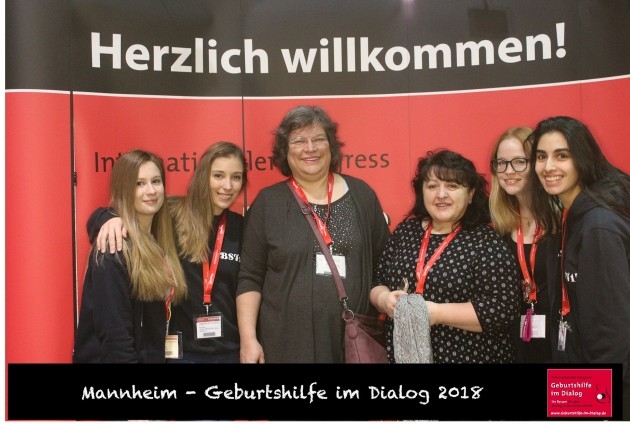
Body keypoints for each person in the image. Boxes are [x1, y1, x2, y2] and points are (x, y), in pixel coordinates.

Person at [236, 105, 390, 363]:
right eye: (298, 141)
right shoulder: (268, 203)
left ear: (331, 146)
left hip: (352, 345)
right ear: (285, 151)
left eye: (318, 139)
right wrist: (248, 339)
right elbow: (250, 277)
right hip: (285, 346)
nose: (310, 148)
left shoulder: (362, 196)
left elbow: (383, 268)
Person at [90, 141, 247, 363]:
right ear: (203, 176)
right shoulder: (171, 215)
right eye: (218, 175)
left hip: (230, 352)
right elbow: (131, 215)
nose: (227, 185)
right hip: (180, 353)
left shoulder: (244, 227)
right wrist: (108, 218)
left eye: (236, 177)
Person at [371, 148, 521, 363]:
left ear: (470, 194)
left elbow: (502, 309)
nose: (441, 195)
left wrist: (436, 313)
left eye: (452, 186)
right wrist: (384, 300)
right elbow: (377, 282)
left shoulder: (485, 240)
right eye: (432, 186)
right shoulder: (406, 231)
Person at [528, 116, 630, 419]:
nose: (548, 167)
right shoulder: (570, 215)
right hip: (578, 377)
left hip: (604, 388)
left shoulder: (598, 224)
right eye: (541, 157)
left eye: (562, 155)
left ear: (583, 159)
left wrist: (595, 406)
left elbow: (612, 330)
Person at [73, 149, 187, 363]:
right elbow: (115, 339)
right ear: (123, 189)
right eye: (139, 183)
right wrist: (105, 218)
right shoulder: (114, 247)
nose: (151, 191)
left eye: (156, 181)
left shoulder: (160, 238)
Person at [489, 127, 560, 363]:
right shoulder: (499, 228)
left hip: (562, 346)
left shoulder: (563, 221)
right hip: (517, 346)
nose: (509, 171)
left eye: (520, 162)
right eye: (502, 163)